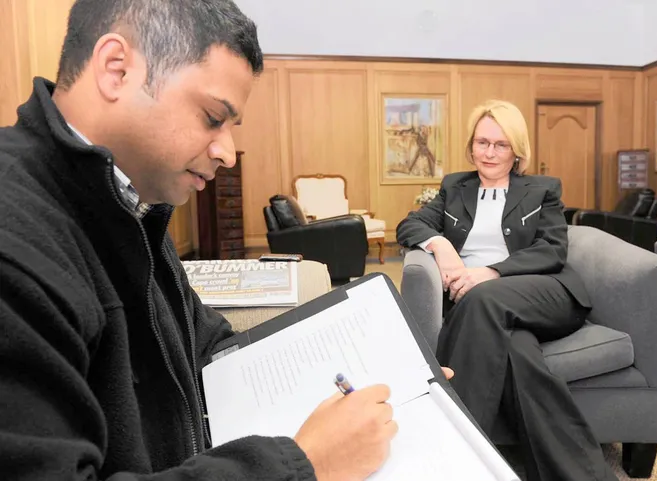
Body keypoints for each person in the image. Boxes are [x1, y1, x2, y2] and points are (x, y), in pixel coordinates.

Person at [0, 1, 453, 479]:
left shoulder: (127, 202)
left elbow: (204, 345)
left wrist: (373, 374)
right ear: (117, 70)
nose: (227, 153)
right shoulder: (17, 240)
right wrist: (306, 463)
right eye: (213, 117)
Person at [396, 99, 618, 481]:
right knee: (518, 352)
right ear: (471, 145)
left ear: (517, 150)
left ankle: (454, 459)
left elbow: (552, 249)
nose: (489, 152)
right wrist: (441, 245)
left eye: (500, 144)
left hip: (544, 292)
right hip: (485, 308)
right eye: (482, 142)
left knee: (482, 297)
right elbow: (409, 225)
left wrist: (491, 272)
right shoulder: (455, 187)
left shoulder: (542, 189)